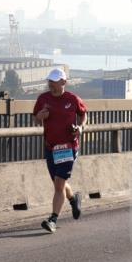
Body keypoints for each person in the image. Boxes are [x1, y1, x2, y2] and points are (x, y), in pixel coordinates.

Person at [33, 68, 87, 233]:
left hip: (68, 147)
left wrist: (80, 127)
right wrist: (40, 117)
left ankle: (53, 220)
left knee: (58, 185)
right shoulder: (43, 99)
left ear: (64, 82)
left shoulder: (72, 99)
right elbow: (35, 119)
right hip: (51, 147)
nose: (51, 85)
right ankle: (73, 199)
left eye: (55, 82)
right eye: (50, 81)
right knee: (59, 184)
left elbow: (83, 114)